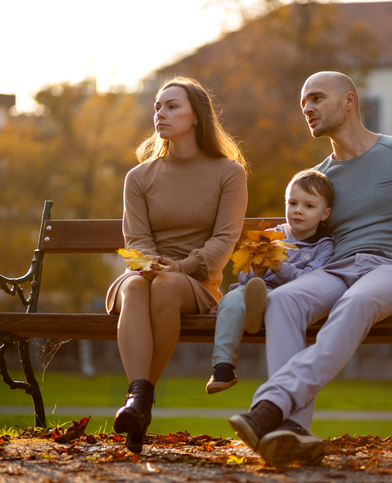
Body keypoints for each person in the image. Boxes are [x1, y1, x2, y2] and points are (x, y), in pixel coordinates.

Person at [228, 71, 392, 466]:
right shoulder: (321, 180)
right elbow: (300, 234)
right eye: (303, 102)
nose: (307, 108)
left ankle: (271, 405)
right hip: (337, 269)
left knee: (355, 303)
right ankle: (293, 430)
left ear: (349, 101)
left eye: (317, 98)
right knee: (284, 302)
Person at [107, 76, 248, 454]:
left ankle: (139, 402)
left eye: (172, 106)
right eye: (157, 106)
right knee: (137, 286)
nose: (161, 113)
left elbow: (224, 241)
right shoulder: (139, 177)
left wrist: (180, 269)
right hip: (143, 273)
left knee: (166, 286)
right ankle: (140, 401)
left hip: (195, 282)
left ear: (196, 116)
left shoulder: (228, 173)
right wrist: (149, 263)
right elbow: (135, 239)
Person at [206, 169, 335, 394]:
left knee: (275, 301)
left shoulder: (324, 245)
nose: (298, 211)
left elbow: (314, 279)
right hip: (256, 290)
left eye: (309, 206)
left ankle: (256, 313)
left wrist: (280, 268)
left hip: (289, 298)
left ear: (325, 214)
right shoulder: (271, 236)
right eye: (292, 203)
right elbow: (244, 276)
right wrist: (256, 272)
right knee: (231, 301)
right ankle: (223, 367)